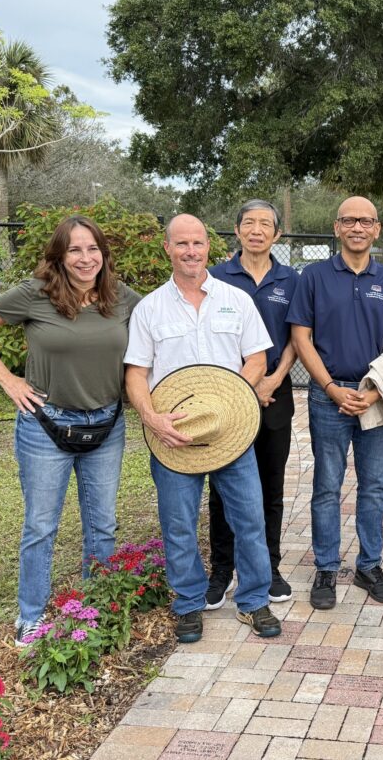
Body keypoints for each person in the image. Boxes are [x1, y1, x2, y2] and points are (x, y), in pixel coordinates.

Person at [0, 215, 141, 646]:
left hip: (106, 426)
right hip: (46, 426)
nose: (85, 258)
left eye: (93, 248)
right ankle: (31, 616)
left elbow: (165, 326)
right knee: (41, 525)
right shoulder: (34, 295)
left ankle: (95, 606)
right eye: (75, 249)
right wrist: (9, 380)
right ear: (59, 255)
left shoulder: (122, 298)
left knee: (104, 525)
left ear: (103, 254)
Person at [124, 214, 281, 643]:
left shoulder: (236, 299)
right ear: (167, 249)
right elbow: (136, 374)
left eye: (197, 243)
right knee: (178, 522)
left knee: (248, 516)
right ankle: (189, 604)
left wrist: (228, 400)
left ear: (208, 247)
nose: (191, 251)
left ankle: (254, 601)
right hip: (172, 435)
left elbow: (257, 359)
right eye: (182, 244)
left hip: (230, 433)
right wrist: (151, 418)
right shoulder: (149, 308)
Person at [288, 196, 383, 610]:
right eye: (349, 220)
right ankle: (326, 567)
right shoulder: (314, 276)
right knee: (326, 486)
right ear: (337, 227)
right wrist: (328, 387)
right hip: (329, 398)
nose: (357, 227)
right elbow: (301, 337)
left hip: (374, 397)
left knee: (375, 485)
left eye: (366, 221)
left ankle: (369, 565)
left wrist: (377, 391)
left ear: (377, 229)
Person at [205, 199, 298, 609]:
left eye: (265, 224)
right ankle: (222, 569)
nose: (257, 229)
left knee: (271, 488)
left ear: (277, 234)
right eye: (249, 223)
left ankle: (268, 567)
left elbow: (299, 335)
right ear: (237, 230)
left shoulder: (292, 280)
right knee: (223, 487)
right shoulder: (215, 278)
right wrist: (245, 387)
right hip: (229, 398)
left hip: (275, 393)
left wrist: (274, 378)